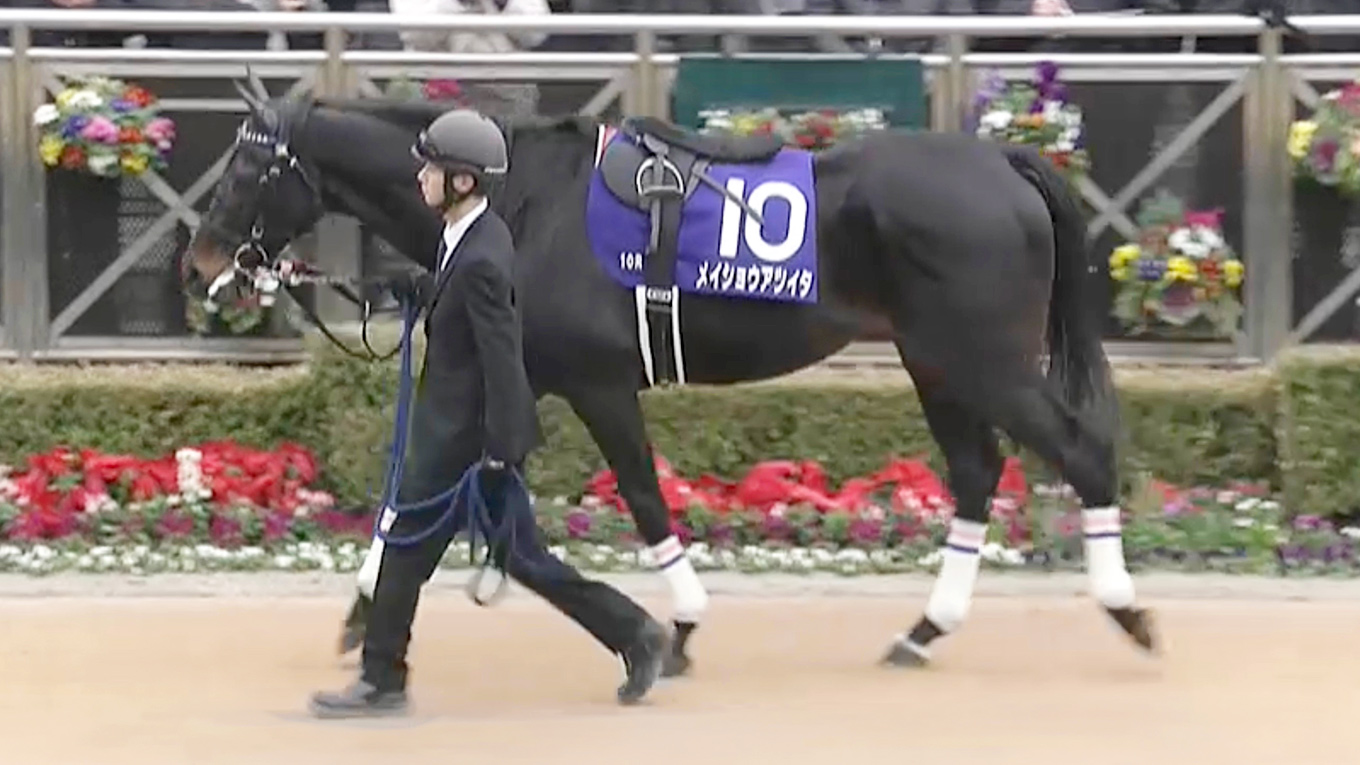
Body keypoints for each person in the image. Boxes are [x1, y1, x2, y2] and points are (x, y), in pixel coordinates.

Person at [308, 108, 670, 719]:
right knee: (524, 559)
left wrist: (503, 450)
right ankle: (634, 633)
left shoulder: (482, 257)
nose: (420, 176)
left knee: (402, 549)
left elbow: (503, 357)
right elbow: (452, 295)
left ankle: (381, 680)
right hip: (469, 439)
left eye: (431, 169)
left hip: (461, 443)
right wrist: (408, 289)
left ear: (463, 181)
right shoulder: (473, 237)